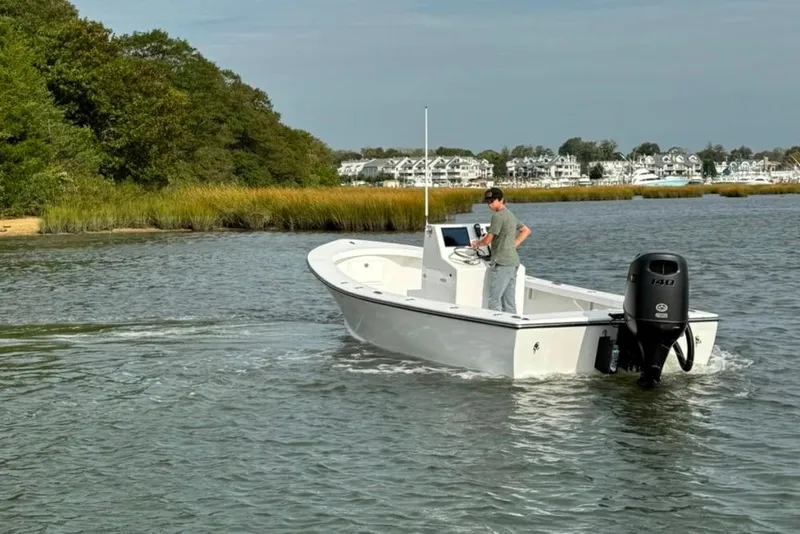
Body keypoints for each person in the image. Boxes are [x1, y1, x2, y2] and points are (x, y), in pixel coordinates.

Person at [470, 187, 531, 313]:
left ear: (501, 200)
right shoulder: (510, 215)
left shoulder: (497, 217)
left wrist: (476, 243)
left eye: (492, 201)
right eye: (488, 202)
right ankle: (511, 325)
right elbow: (526, 230)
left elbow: (487, 240)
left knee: (494, 300)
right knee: (509, 301)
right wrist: (513, 244)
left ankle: (497, 327)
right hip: (513, 261)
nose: (490, 205)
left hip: (502, 262)